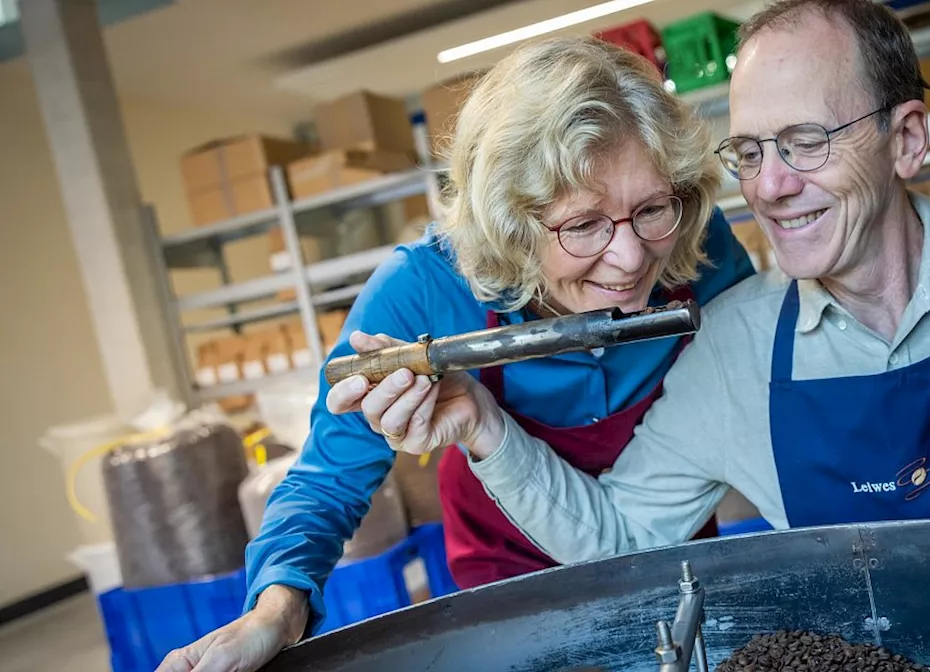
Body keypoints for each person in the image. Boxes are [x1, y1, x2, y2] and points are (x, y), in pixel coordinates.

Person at [342, 0, 930, 570]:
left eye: (805, 143)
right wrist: (482, 427)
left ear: (907, 139)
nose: (771, 186)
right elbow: (621, 537)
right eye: (750, 152)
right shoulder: (733, 344)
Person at [158, 36, 755, 672]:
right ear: (511, 223)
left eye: (650, 208)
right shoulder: (425, 290)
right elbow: (329, 476)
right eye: (583, 226)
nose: (633, 256)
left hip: (672, 558)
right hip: (506, 586)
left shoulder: (693, 238)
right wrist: (275, 609)